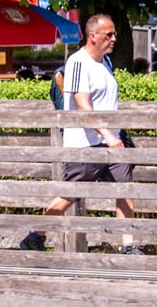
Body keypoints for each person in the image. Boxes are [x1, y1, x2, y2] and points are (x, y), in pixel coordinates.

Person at [21, 13, 125, 248]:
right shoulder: (78, 62)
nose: (113, 38)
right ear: (93, 36)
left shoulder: (106, 62)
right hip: (86, 142)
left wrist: (115, 135)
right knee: (70, 194)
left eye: (114, 34)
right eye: (109, 34)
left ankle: (129, 245)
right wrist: (106, 134)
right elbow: (82, 103)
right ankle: (37, 233)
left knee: (125, 187)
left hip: (112, 140)